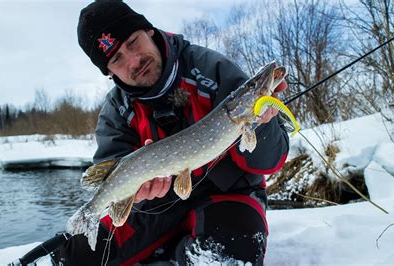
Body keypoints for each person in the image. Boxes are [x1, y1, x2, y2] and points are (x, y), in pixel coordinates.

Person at [59, 0, 289, 265]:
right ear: (108, 72)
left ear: (150, 31)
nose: (134, 61)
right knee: (77, 257)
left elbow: (270, 162)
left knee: (225, 258)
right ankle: (172, 247)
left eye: (133, 42)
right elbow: (111, 175)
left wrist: (262, 125)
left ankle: (181, 250)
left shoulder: (210, 69)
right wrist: (137, 197)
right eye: (117, 59)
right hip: (157, 208)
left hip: (229, 195)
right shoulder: (116, 111)